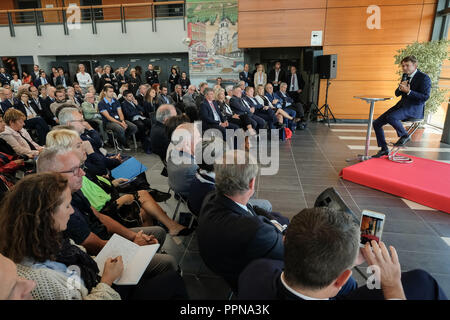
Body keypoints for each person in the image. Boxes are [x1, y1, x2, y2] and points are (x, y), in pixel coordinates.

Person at [0, 172, 188, 300]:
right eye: (66, 206)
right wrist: (107, 279)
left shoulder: (42, 238)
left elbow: (82, 257)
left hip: (97, 277)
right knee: (172, 280)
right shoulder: (40, 279)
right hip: (102, 287)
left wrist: (124, 253)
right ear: (46, 215)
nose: (71, 211)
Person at [238, 207, 447, 300]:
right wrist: (393, 285)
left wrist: (343, 261)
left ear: (285, 242)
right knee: (422, 281)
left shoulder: (255, 271)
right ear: (342, 278)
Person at [197, 150, 288, 291]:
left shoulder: (211, 197)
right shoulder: (256, 231)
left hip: (217, 260)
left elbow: (252, 208)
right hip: (241, 274)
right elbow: (288, 252)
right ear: (251, 183)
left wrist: (272, 220)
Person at [372, 55, 431, 158]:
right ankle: (384, 149)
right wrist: (401, 87)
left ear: (415, 65)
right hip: (401, 106)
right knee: (376, 123)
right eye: (403, 66)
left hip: (414, 108)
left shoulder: (424, 78)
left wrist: (409, 92)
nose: (404, 68)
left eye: (407, 65)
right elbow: (397, 94)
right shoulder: (405, 76)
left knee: (391, 117)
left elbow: (425, 97)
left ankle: (405, 136)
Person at [98, 85, 137, 151]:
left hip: (119, 120)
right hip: (108, 122)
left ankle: (120, 140)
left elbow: (120, 112)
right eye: (110, 91)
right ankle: (123, 144)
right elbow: (108, 117)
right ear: (105, 92)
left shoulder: (115, 101)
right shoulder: (101, 103)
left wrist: (123, 121)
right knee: (120, 128)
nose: (112, 93)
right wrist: (121, 123)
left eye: (112, 91)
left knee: (134, 127)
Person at [166, 122, 200, 198]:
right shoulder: (192, 168)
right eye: (198, 137)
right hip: (193, 197)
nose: (201, 140)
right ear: (187, 144)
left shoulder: (173, 153)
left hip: (177, 186)